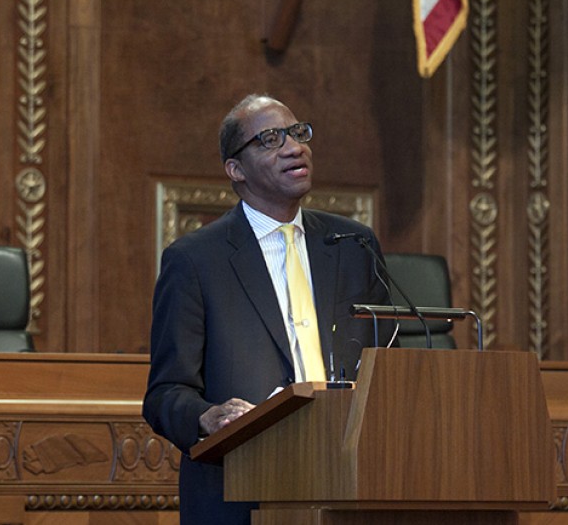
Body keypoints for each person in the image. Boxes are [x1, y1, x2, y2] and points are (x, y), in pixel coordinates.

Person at [142, 94, 393, 524]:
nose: (294, 147)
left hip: (350, 484)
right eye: (270, 139)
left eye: (298, 133)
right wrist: (207, 416)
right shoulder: (196, 260)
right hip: (243, 490)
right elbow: (165, 394)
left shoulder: (354, 245)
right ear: (235, 170)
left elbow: (389, 365)